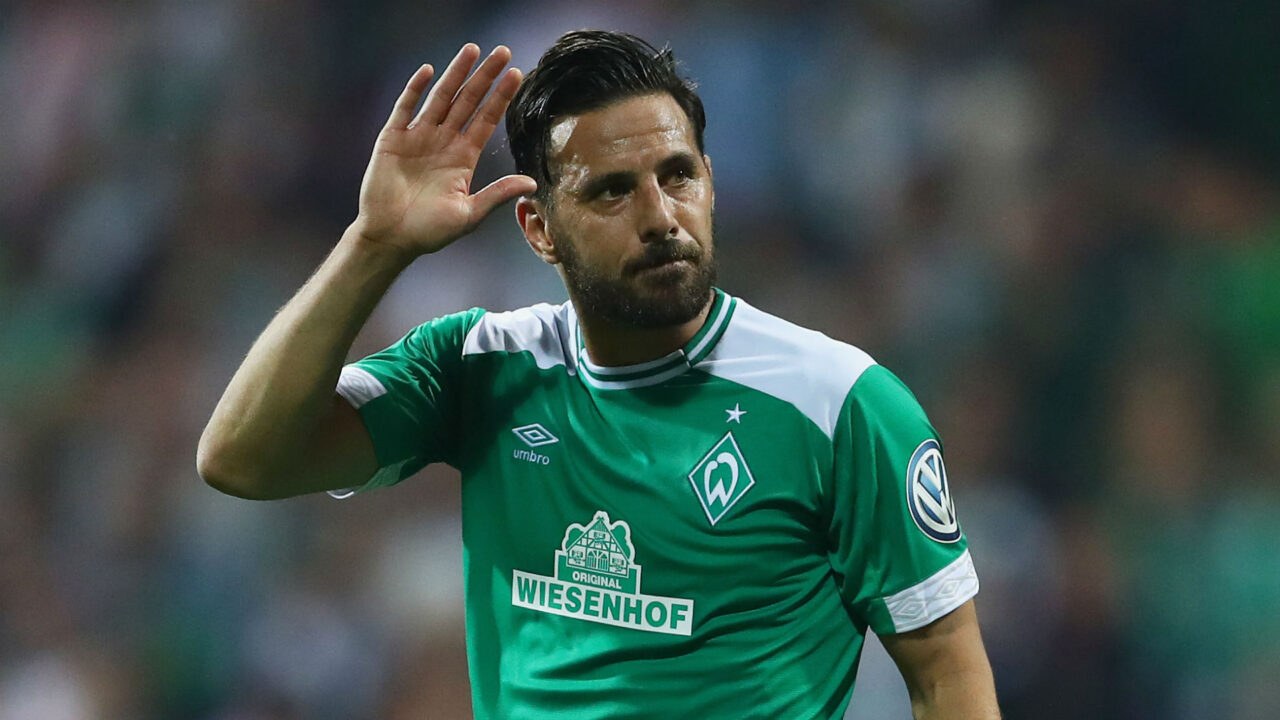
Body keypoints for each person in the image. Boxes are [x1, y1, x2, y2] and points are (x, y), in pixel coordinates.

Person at [198, 30, 1000, 720]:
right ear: (539, 229)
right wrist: (373, 246)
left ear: (710, 181)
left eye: (678, 175)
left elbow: (947, 672)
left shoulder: (841, 404)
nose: (660, 216)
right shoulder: (482, 366)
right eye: (612, 191)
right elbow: (241, 458)